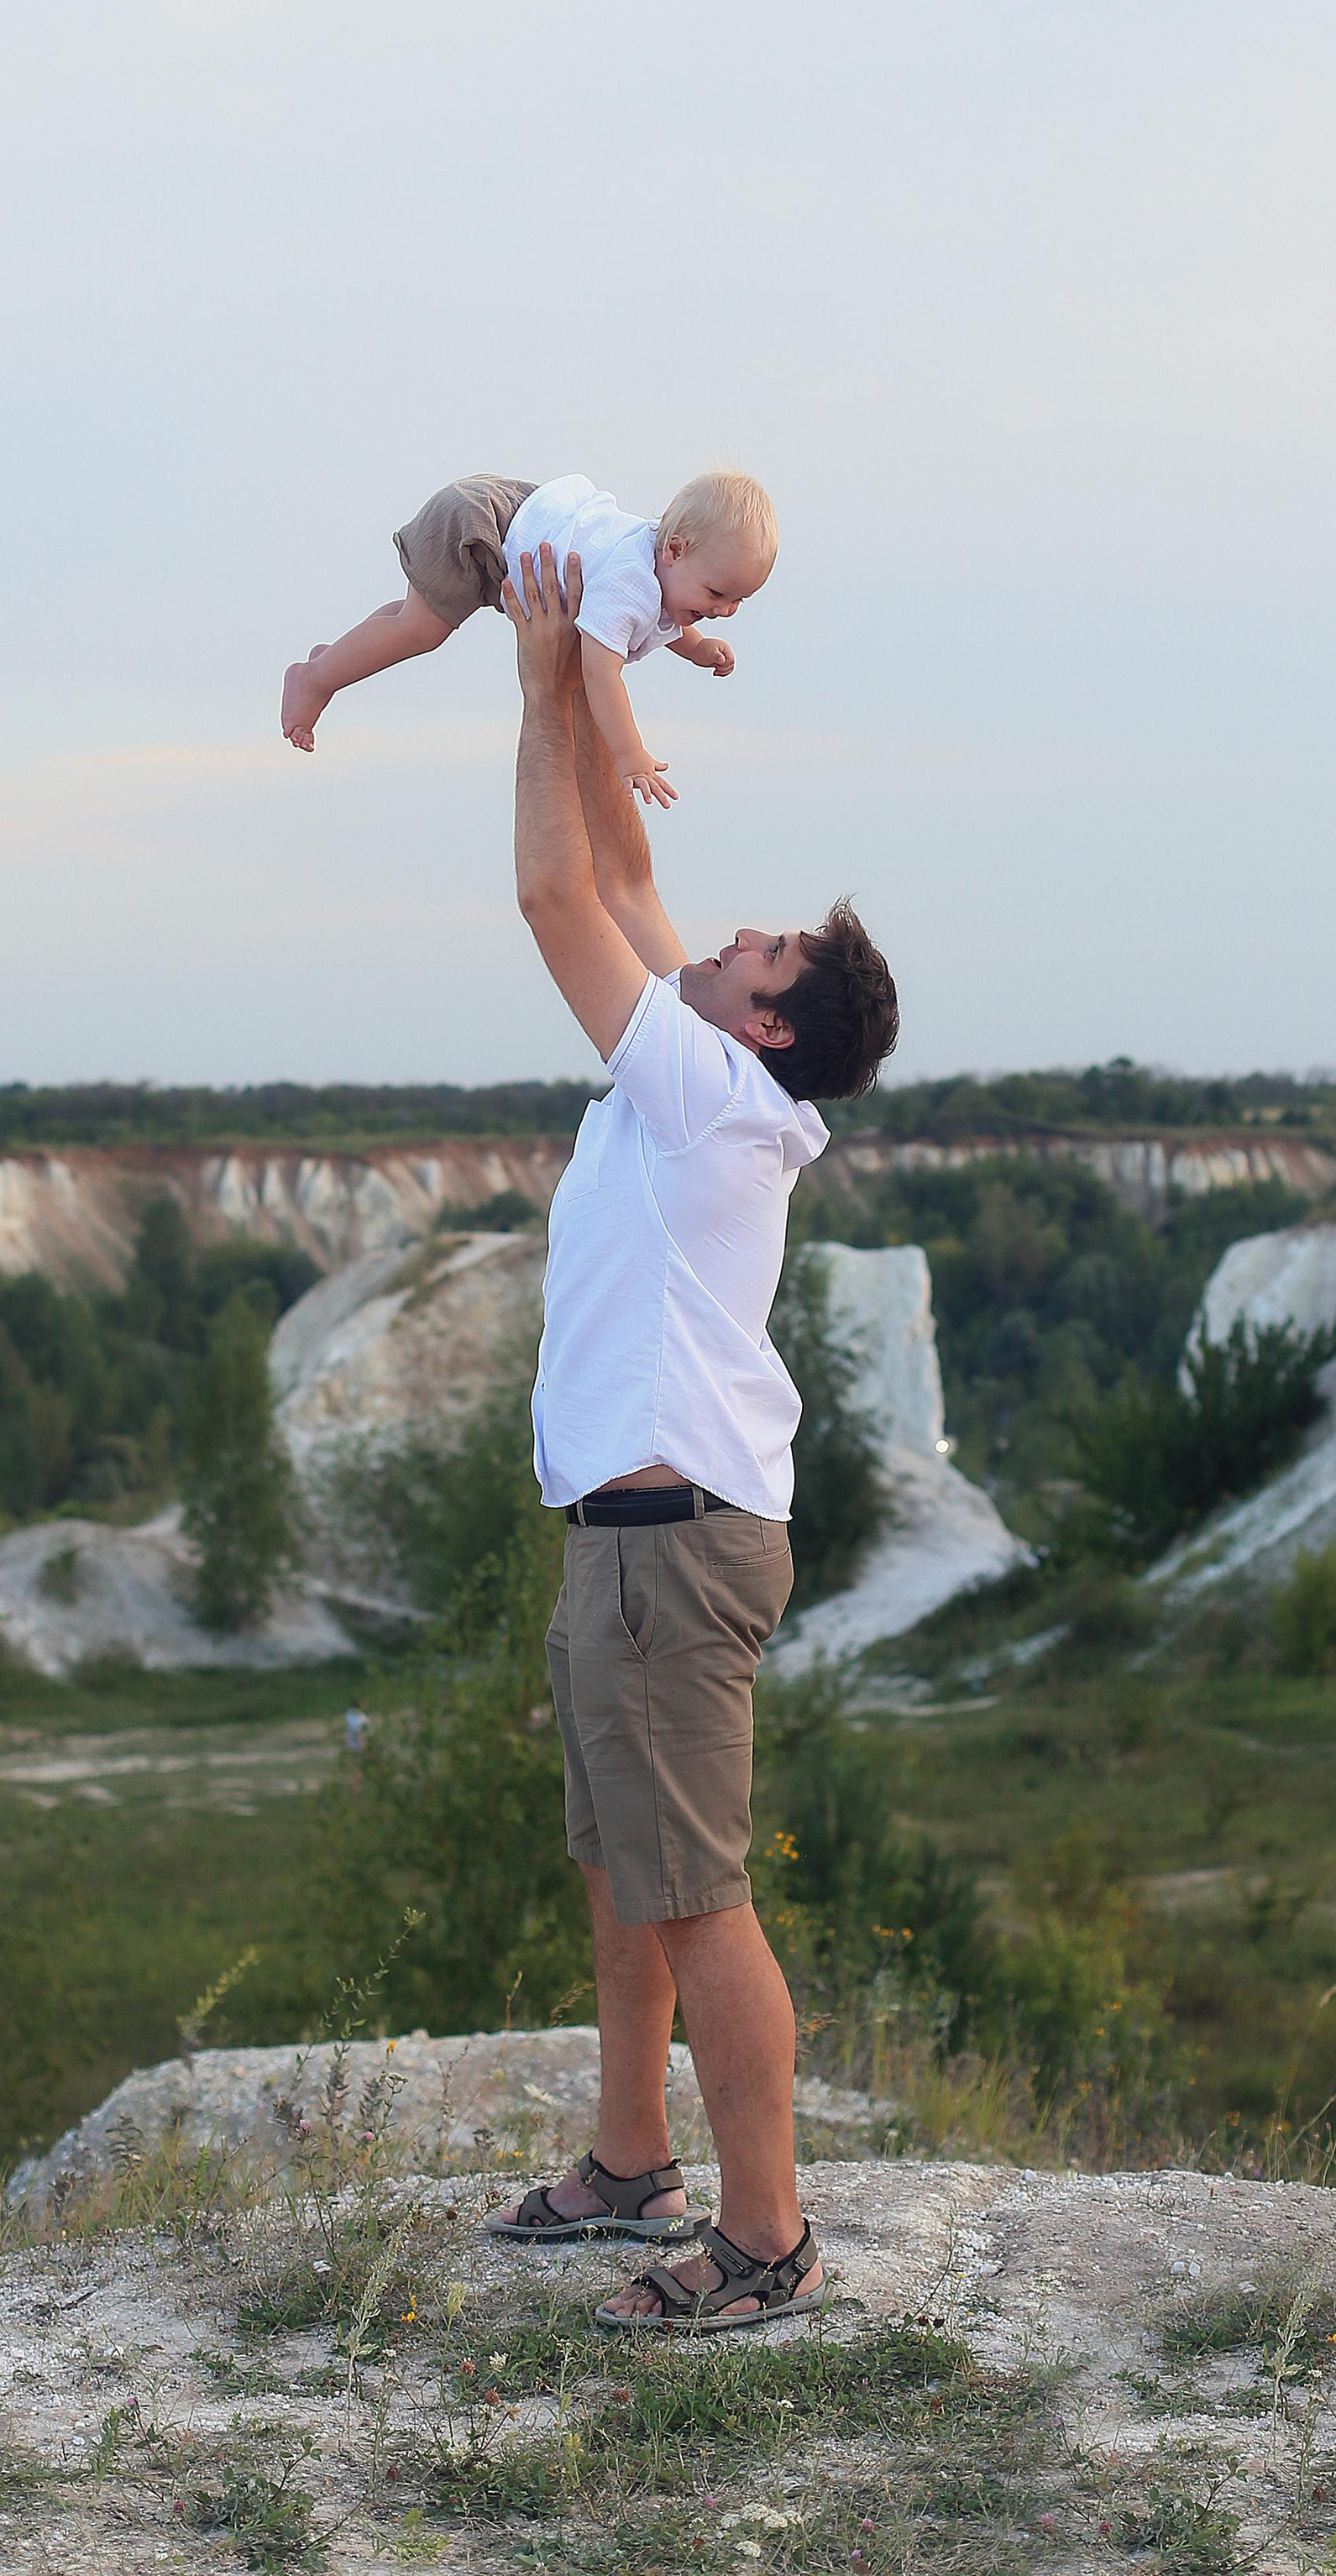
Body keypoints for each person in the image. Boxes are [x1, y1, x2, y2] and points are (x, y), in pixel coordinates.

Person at [485, 542, 899, 2335]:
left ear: (766, 1021)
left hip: (673, 1547)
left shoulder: (704, 1086)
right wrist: (590, 661)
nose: (727, 930)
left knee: (700, 1895)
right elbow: (632, 865)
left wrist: (526, 682)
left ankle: (763, 2239)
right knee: (621, 1863)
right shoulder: (717, 1068)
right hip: (627, 1536)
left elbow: (555, 898)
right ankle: (627, 2157)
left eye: (762, 948)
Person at [280, 469, 777, 809]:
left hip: (513, 512)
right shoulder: (634, 581)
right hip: (483, 527)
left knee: (414, 619)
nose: (724, 611)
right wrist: (630, 752)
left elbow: (655, 618)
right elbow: (600, 671)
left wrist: (694, 647)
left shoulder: (662, 570)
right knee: (420, 629)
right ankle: (316, 678)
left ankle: (334, 660)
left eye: (738, 602)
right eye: (717, 593)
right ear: (674, 549)